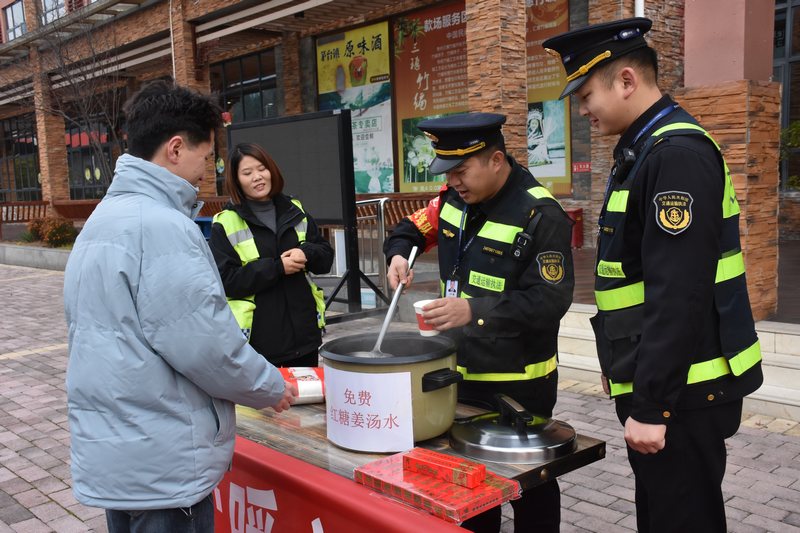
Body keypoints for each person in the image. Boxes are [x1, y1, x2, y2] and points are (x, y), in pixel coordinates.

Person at [543, 17, 764, 533]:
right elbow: (633, 280)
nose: (583, 110)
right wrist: (622, 365)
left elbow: (678, 293)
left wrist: (650, 403)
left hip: (685, 392)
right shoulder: (644, 151)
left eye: (586, 94)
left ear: (626, 80)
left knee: (681, 518)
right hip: (670, 386)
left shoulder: (676, 156)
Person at [63, 80, 297, 533]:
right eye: (204, 157)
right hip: (164, 463)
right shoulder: (163, 227)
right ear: (175, 148)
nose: (204, 172)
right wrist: (270, 387)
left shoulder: (101, 221)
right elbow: (206, 346)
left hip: (123, 456)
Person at [384, 112, 574, 533]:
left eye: (461, 171)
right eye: (447, 173)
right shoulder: (453, 201)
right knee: (470, 487)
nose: (453, 181)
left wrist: (474, 310)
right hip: (461, 374)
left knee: (531, 486)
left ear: (496, 160)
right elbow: (409, 228)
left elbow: (550, 300)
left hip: (519, 382)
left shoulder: (541, 215)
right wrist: (399, 254)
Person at [209, 143, 334, 368]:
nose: (257, 177)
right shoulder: (225, 223)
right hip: (259, 344)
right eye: (247, 173)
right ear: (236, 181)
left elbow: (325, 258)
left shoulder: (294, 209)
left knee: (307, 398)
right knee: (267, 404)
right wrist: (277, 268)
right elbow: (226, 281)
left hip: (305, 338)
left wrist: (306, 253)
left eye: (262, 169)